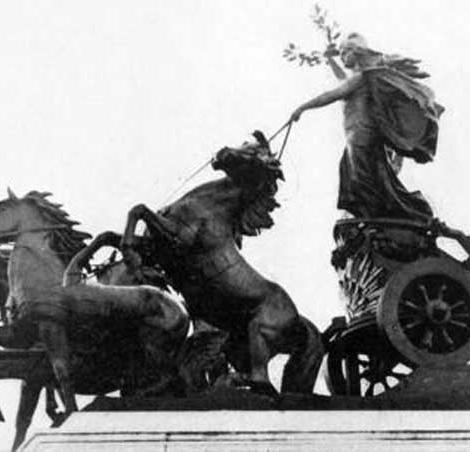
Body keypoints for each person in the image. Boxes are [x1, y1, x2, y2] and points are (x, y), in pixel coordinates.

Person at [290, 33, 444, 220]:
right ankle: (378, 216)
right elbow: (341, 78)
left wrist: (303, 108)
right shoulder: (360, 78)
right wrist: (331, 59)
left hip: (361, 136)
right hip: (356, 137)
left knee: (362, 180)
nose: (342, 56)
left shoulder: (362, 78)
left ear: (357, 53)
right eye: (341, 52)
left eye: (345, 52)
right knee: (364, 179)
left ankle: (376, 218)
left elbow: (331, 94)